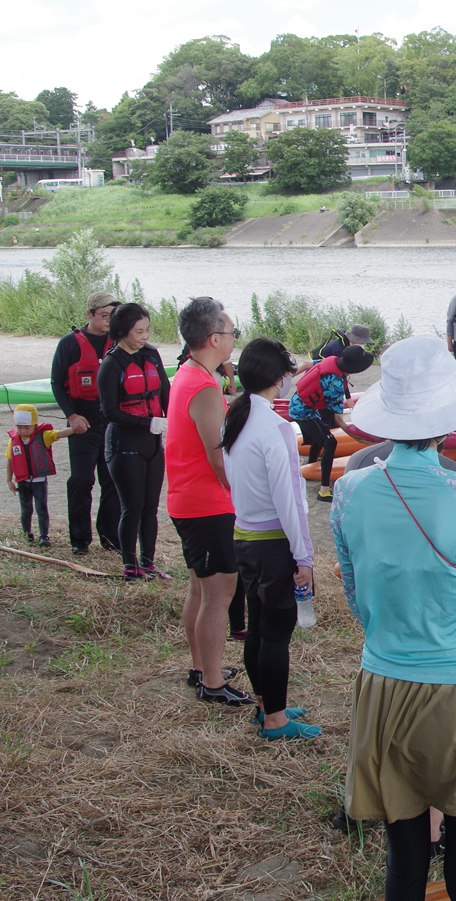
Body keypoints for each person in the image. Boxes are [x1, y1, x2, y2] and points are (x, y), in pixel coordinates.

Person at [329, 335, 456, 901]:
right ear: (446, 417)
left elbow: (358, 599)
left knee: (404, 863)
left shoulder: (349, 491)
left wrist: (398, 635)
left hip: (382, 684)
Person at [222, 337, 320, 740]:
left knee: (259, 626)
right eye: (288, 374)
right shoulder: (275, 427)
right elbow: (291, 500)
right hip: (272, 543)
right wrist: (304, 557)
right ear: (278, 378)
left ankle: (266, 704)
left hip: (244, 537)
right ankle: (276, 720)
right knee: (276, 632)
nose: (290, 381)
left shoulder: (237, 417)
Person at [168, 297, 251, 707]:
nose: (234, 340)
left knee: (201, 590)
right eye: (233, 333)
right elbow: (218, 455)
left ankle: (203, 667)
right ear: (215, 338)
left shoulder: (191, 373)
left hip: (191, 499)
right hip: (205, 503)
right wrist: (240, 495)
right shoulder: (202, 385)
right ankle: (212, 682)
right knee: (219, 591)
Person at [98, 303, 171, 582]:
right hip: (124, 444)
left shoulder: (151, 356)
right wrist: (146, 422)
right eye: (138, 331)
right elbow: (109, 411)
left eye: (147, 330)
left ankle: (148, 563)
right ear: (122, 331)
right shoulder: (111, 364)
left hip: (153, 444)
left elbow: (165, 391)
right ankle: (130, 566)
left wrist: (172, 419)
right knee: (132, 507)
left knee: (150, 508)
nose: (144, 336)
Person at [51, 290, 122, 555]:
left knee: (112, 481)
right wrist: (71, 416)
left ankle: (110, 537)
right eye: (104, 315)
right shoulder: (69, 343)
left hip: (110, 421)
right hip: (83, 421)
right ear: (89, 315)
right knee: (81, 481)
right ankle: (79, 540)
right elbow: (57, 382)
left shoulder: (118, 342)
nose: (108, 321)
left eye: (112, 316)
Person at [290, 345, 373, 502]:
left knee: (322, 434)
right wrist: (357, 438)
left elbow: (307, 364)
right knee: (330, 441)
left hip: (299, 403)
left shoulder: (331, 361)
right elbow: (338, 419)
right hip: (303, 412)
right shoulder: (335, 383)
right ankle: (324, 490)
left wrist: (288, 375)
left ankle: (312, 465)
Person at [4, 404, 79, 547]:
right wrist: (9, 480)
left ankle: (44, 536)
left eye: (27, 427)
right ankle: (27, 535)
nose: (23, 430)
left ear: (34, 425)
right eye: (20, 427)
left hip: (39, 481)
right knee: (26, 510)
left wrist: (75, 427)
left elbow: (60, 433)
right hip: (23, 482)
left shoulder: (43, 435)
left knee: (41, 508)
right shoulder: (14, 440)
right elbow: (10, 459)